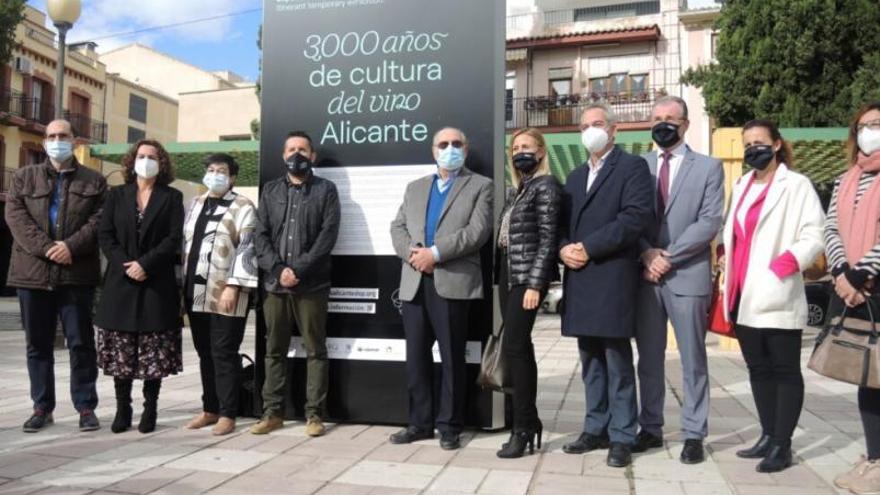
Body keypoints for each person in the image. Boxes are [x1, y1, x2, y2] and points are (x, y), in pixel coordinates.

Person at [720, 119, 824, 472]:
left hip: (777, 288)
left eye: (760, 143)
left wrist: (788, 262)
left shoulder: (796, 185)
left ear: (777, 144)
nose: (753, 149)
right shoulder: (743, 184)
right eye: (747, 144)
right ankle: (767, 433)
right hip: (742, 291)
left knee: (784, 369)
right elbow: (732, 231)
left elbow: (814, 232)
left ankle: (783, 443)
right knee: (758, 368)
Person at [558, 103, 653, 468]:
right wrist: (564, 248)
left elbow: (633, 218)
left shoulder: (632, 167)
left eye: (597, 124)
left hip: (612, 274)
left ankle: (622, 435)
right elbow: (562, 223)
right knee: (590, 361)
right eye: (584, 126)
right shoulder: (575, 175)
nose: (590, 130)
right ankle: (594, 427)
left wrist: (587, 247)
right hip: (580, 277)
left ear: (614, 131)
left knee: (617, 361)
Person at [388, 127, 493, 450]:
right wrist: (415, 256)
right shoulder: (416, 187)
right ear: (434, 151)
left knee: (451, 359)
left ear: (466, 147)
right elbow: (397, 226)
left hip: (452, 283)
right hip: (415, 282)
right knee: (416, 359)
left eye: (457, 143)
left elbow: (477, 232)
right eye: (443, 144)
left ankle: (449, 426)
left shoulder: (480, 186)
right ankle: (419, 423)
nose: (450, 149)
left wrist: (434, 254)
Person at [634, 96, 725, 464]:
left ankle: (693, 433)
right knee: (649, 359)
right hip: (645, 276)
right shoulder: (638, 166)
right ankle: (651, 427)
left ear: (685, 124)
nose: (663, 124)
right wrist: (646, 252)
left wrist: (666, 256)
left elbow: (709, 221)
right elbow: (630, 218)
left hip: (687, 274)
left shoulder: (708, 167)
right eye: (657, 118)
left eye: (671, 118)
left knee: (692, 359)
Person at [5, 119, 106, 432]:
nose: (57, 140)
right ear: (44, 141)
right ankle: (41, 407)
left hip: (76, 275)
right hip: (32, 274)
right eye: (51, 136)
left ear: (74, 140)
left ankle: (86, 407)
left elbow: (99, 220)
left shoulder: (95, 181)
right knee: (38, 345)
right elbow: (17, 219)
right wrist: (50, 248)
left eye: (63, 135)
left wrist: (70, 247)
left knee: (81, 343)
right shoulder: (23, 178)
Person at [252, 131, 340, 437]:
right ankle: (272, 412)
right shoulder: (271, 190)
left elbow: (327, 236)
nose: (297, 154)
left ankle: (314, 415)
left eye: (302, 149)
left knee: (316, 351)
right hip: (275, 286)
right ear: (283, 155)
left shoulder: (326, 190)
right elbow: (259, 234)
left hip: (311, 285)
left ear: (312, 156)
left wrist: (297, 269)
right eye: (291, 149)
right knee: (273, 351)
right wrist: (278, 269)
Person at [94, 139, 185, 434]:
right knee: (122, 349)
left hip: (156, 282)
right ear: (132, 161)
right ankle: (123, 408)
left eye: (153, 156)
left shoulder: (172, 197)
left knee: (152, 350)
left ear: (162, 163)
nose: (146, 160)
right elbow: (106, 235)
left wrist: (145, 264)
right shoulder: (116, 195)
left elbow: (173, 239)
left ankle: (151, 407)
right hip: (121, 282)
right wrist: (127, 264)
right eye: (142, 155)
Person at [494, 127, 560, 458]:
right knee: (520, 350)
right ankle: (528, 421)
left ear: (541, 152)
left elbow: (548, 238)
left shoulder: (545, 186)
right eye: (516, 146)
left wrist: (536, 283)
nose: (521, 151)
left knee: (516, 348)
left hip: (525, 278)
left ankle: (523, 426)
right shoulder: (522, 189)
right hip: (509, 274)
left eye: (527, 146)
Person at [825, 102, 880, 494]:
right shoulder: (847, 178)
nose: (869, 131)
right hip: (852, 288)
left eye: (876, 125)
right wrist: (842, 271)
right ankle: (874, 457)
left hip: (874, 285)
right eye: (863, 126)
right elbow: (832, 226)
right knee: (867, 377)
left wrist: (863, 272)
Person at [182, 153, 259, 436]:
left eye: (221, 171)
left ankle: (228, 412)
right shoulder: (195, 204)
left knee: (224, 352)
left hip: (227, 292)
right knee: (204, 353)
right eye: (211, 170)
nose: (215, 175)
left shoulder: (243, 206)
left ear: (232, 178)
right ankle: (209, 409)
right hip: (196, 292)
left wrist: (234, 285)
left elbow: (248, 248)